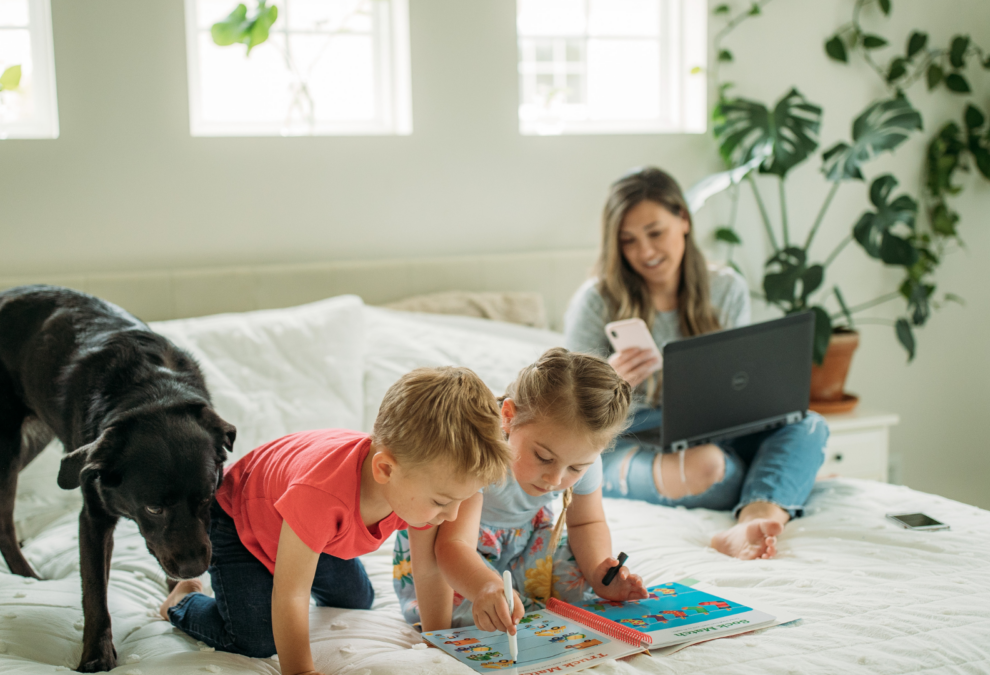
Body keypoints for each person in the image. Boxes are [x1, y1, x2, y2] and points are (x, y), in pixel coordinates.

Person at [159, 366, 513, 674]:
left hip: (311, 531)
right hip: (239, 519)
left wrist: (438, 642)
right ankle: (183, 600)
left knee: (357, 599)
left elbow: (429, 569)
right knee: (255, 639)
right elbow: (291, 592)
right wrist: (299, 670)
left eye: (460, 502)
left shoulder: (419, 483)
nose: (451, 515)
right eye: (442, 502)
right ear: (385, 469)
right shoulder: (322, 495)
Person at [563, 167, 829, 561]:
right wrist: (609, 382)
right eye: (628, 241)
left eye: (655, 233)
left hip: (713, 428)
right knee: (709, 466)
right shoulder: (597, 300)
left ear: (684, 220)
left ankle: (753, 519)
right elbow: (567, 413)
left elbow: (741, 386)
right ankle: (776, 484)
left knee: (809, 425)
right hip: (630, 437)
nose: (646, 252)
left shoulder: (725, 288)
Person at [393, 348, 648, 632]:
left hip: (526, 543)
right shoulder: (480, 455)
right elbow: (452, 546)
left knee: (579, 584)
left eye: (575, 469)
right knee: (483, 616)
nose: (555, 478)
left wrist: (599, 572)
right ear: (509, 417)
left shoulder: (584, 457)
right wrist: (484, 586)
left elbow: (587, 522)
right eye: (544, 458)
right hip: (459, 554)